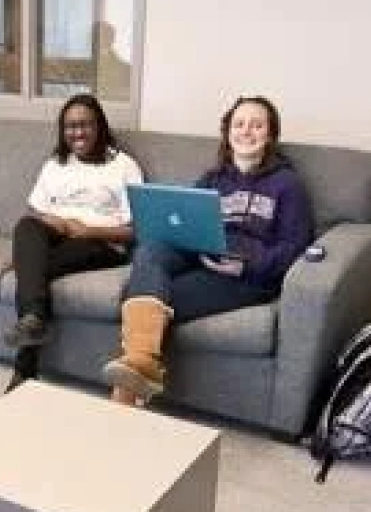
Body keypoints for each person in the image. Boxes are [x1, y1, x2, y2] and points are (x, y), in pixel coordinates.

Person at [101, 95, 315, 406]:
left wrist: (247, 265)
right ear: (228, 132)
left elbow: (295, 249)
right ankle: (141, 365)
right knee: (149, 251)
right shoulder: (213, 178)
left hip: (246, 277)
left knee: (147, 296)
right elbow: (186, 220)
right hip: (202, 255)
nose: (247, 131)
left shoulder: (288, 185)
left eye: (257, 125)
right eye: (239, 124)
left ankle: (126, 391)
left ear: (270, 135)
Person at [3, 93, 144, 391]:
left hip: (102, 243)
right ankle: (34, 318)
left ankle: (24, 369)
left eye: (85, 125)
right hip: (56, 235)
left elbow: (136, 229)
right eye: (70, 126)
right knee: (27, 226)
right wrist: (52, 220)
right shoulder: (55, 164)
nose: (77, 132)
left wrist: (88, 230)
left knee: (31, 271)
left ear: (99, 126)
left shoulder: (124, 166)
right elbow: (34, 210)